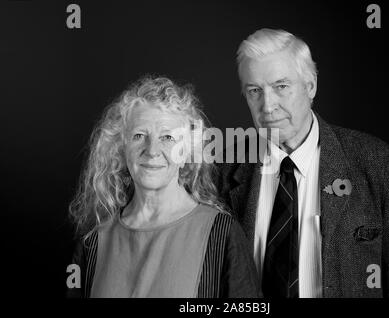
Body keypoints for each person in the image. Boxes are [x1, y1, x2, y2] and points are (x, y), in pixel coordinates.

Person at [214, 28, 389, 297]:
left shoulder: (375, 162)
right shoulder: (222, 170)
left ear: (310, 85)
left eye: (281, 86)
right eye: (255, 90)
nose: (267, 106)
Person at [67, 76, 260, 298]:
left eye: (168, 137)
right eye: (139, 136)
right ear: (120, 147)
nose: (152, 150)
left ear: (187, 151)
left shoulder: (222, 234)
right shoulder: (93, 243)